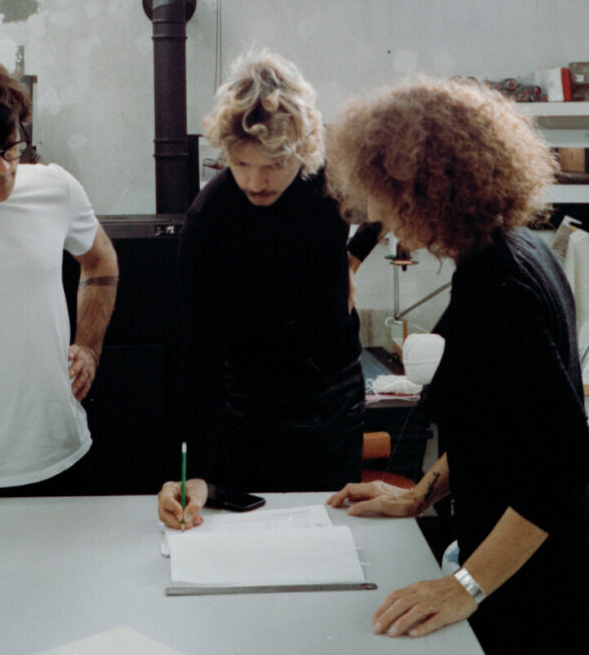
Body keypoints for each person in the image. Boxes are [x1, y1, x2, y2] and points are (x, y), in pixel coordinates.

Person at [325, 76, 589, 652]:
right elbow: (493, 427)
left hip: (536, 591)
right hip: (507, 564)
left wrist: (465, 586)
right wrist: (419, 495)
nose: (377, 212)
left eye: (386, 195)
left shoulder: (500, 287)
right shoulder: (508, 251)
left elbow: (563, 466)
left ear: (430, 189)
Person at [158, 51, 380, 529]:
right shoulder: (209, 218)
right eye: (242, 163)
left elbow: (391, 201)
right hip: (249, 405)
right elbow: (198, 357)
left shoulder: (332, 180)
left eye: (274, 164)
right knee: (249, 533)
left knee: (330, 529)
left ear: (301, 151)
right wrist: (197, 471)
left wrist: (353, 257)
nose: (256, 182)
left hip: (333, 394)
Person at [0, 56, 118, 494]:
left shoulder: (56, 188)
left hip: (59, 453)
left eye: (10, 148)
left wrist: (88, 347)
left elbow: (100, 261)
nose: (3, 169)